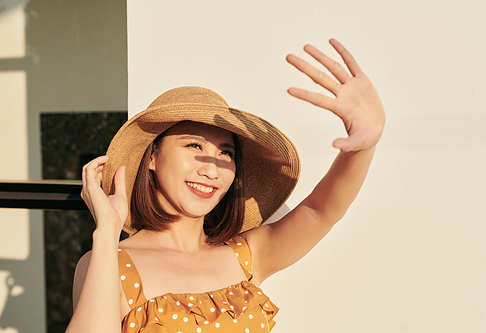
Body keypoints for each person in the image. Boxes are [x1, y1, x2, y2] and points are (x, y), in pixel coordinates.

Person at [66, 38, 385, 333]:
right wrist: (107, 231)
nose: (212, 168)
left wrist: (363, 146)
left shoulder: (246, 254)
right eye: (193, 146)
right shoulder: (111, 261)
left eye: (225, 153)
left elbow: (320, 211)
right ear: (152, 156)